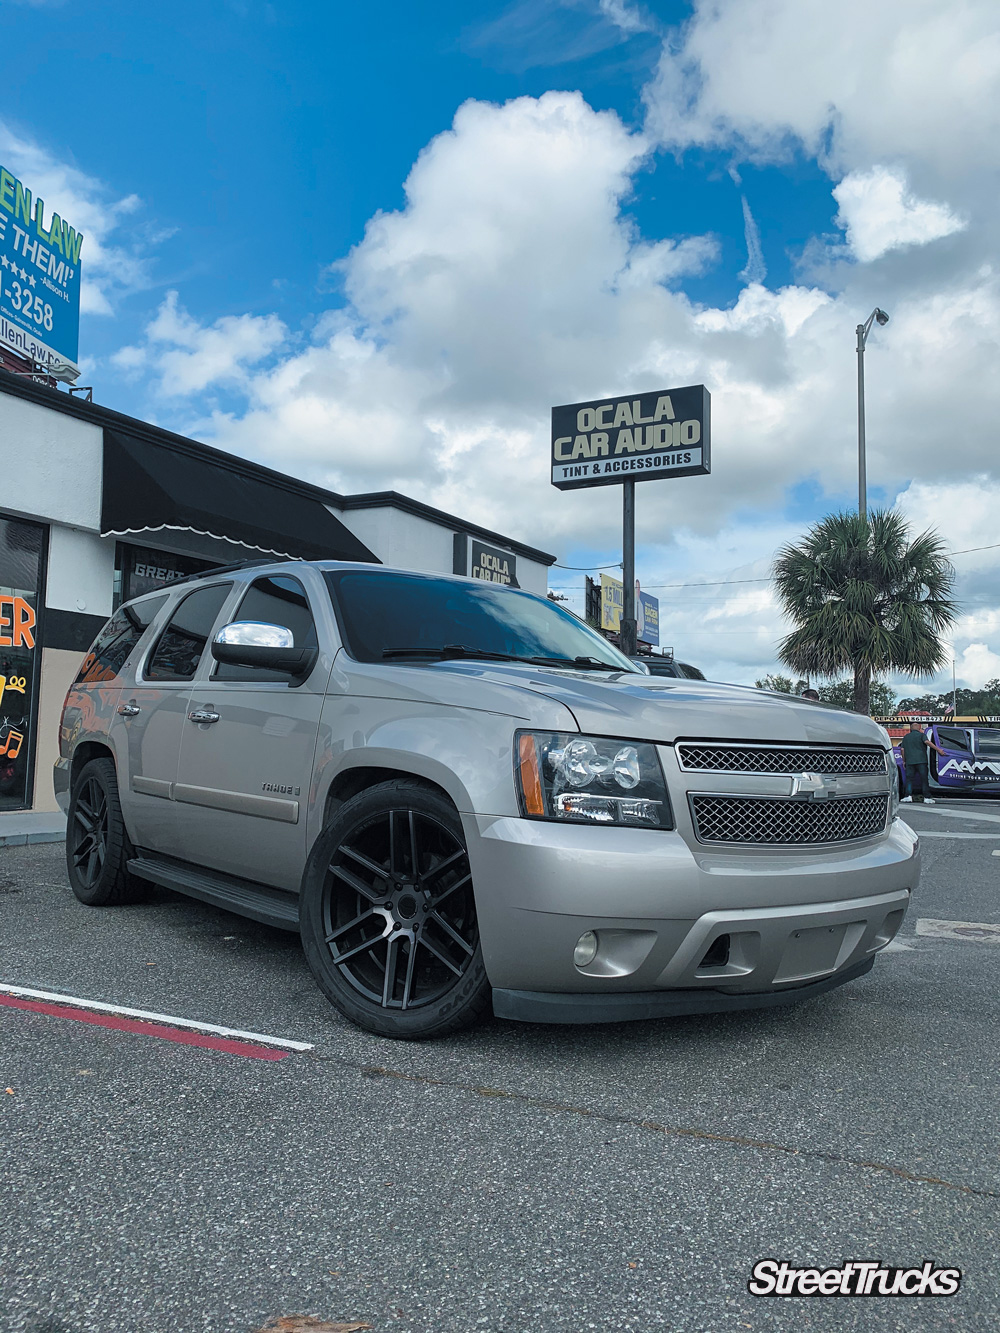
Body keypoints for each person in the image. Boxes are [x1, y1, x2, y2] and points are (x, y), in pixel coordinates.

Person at [900, 722, 945, 804]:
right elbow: (927, 742)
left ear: (911, 728)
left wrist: (904, 761)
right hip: (921, 761)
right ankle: (926, 797)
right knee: (924, 779)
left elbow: (902, 750)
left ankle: (908, 796)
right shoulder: (922, 735)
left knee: (909, 779)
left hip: (910, 762)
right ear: (919, 728)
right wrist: (938, 750)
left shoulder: (906, 737)